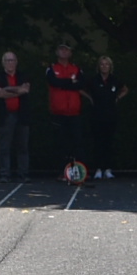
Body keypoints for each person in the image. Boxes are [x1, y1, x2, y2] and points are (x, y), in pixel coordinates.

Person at [43, 42, 87, 177]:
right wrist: (70, 82)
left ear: (70, 53)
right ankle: (62, 172)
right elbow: (54, 82)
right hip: (58, 112)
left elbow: (80, 84)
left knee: (77, 142)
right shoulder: (51, 68)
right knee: (61, 143)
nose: (64, 52)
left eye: (66, 50)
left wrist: (63, 83)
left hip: (74, 112)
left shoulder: (76, 69)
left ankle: (79, 172)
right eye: (61, 49)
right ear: (57, 52)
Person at [0, 51, 33, 181]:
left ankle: (23, 173)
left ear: (16, 62)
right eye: (7, 60)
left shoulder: (23, 75)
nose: (10, 63)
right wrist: (18, 91)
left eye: (12, 60)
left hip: (22, 114)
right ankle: (5, 174)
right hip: (6, 115)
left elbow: (26, 89)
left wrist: (7, 89)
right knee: (4, 146)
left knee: (23, 146)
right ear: (3, 62)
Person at [85, 53, 127, 179]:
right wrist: (90, 99)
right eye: (102, 64)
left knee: (109, 142)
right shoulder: (94, 80)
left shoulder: (114, 79)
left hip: (111, 115)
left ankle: (108, 168)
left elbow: (125, 89)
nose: (104, 66)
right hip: (97, 115)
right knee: (98, 142)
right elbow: (81, 89)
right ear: (99, 66)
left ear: (110, 66)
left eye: (107, 64)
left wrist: (118, 98)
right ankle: (98, 168)